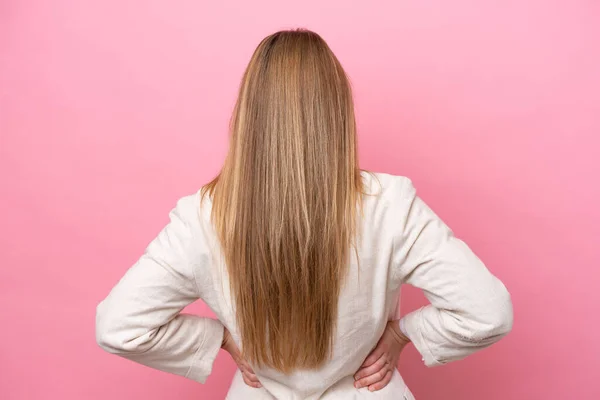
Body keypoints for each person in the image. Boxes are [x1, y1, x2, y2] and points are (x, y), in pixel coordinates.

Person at [95, 29, 513, 399]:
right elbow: (488, 312)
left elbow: (118, 327)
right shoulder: (390, 204)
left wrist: (220, 339)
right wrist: (401, 335)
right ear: (336, 113)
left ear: (248, 115)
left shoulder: (201, 217)